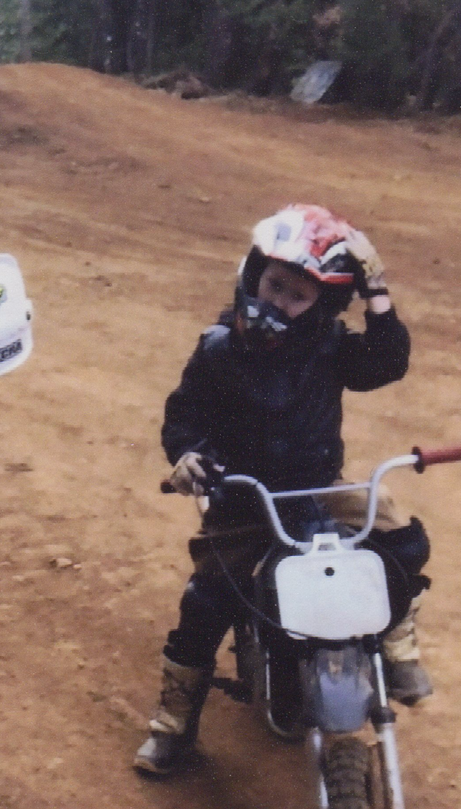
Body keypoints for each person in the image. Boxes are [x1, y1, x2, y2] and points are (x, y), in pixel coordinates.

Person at [134, 204, 434, 777]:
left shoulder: (330, 346)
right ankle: (172, 725)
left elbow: (388, 362)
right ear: (253, 276)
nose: (279, 302)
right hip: (245, 502)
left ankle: (397, 643)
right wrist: (188, 455)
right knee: (206, 604)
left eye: (298, 296)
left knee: (401, 543)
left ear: (320, 307)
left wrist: (375, 289)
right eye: (274, 285)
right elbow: (183, 415)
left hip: (318, 490)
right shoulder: (218, 350)